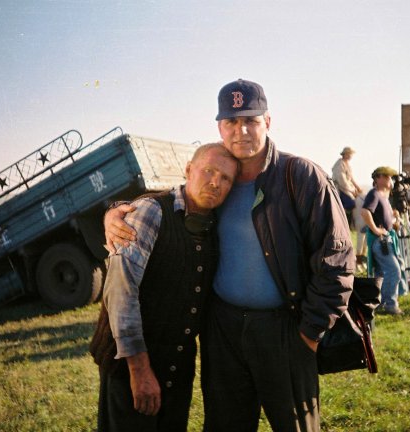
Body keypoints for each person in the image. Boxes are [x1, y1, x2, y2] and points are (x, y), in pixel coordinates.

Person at [105, 79, 355, 431]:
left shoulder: (299, 175)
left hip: (285, 328)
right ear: (220, 127)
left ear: (267, 122)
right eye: (231, 122)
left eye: (251, 120)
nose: (242, 131)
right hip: (222, 331)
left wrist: (309, 333)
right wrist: (116, 211)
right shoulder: (216, 183)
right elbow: (172, 203)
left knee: (296, 425)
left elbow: (337, 258)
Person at [89, 143, 239, 432]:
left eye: (225, 178)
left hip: (177, 367)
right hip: (130, 367)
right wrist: (139, 369)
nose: (215, 182)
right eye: (208, 171)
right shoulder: (151, 211)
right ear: (188, 170)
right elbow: (121, 290)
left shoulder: (215, 224)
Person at [361, 166, 405, 315]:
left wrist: (393, 218)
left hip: (386, 239)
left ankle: (379, 303)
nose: (389, 180)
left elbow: (382, 216)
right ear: (377, 179)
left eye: (390, 177)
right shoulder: (374, 194)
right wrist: (375, 229)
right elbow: (365, 211)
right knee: (394, 271)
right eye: (386, 177)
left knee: (381, 274)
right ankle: (389, 304)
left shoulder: (382, 195)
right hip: (380, 241)